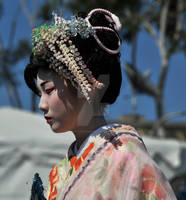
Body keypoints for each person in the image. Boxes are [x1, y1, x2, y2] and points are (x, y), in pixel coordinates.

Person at [24, 8, 176, 200]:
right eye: (39, 94)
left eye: (49, 90)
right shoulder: (61, 172)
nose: (41, 105)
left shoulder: (127, 157)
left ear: (85, 85)